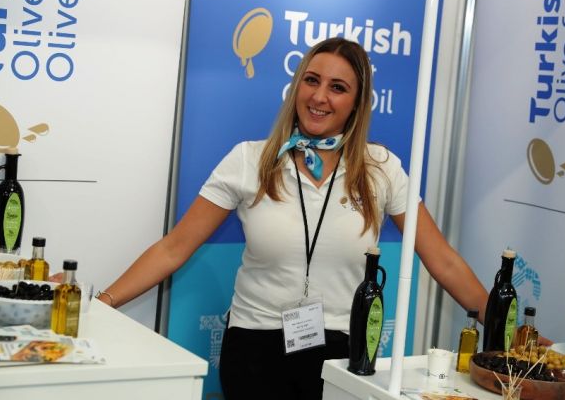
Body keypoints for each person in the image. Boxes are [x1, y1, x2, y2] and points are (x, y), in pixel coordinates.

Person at [91, 37, 489, 399]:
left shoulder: (381, 168)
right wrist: (100, 306)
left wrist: (506, 326)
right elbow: (173, 249)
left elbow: (443, 260)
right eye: (311, 80)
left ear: (357, 103)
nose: (319, 96)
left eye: (338, 87)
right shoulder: (249, 160)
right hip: (254, 350)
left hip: (342, 357)